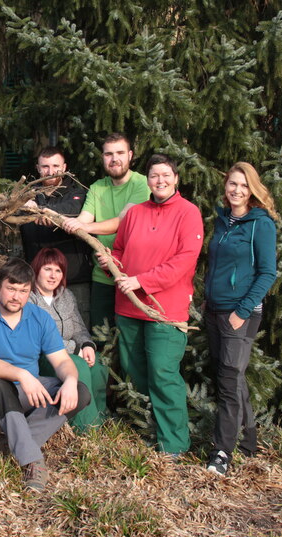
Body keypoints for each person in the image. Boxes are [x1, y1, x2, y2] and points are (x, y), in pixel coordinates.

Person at [97, 154, 203, 456]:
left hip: (164, 310)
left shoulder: (188, 213)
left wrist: (142, 281)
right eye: (155, 175)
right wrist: (109, 264)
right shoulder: (134, 214)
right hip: (128, 307)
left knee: (163, 372)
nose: (160, 181)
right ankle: (152, 430)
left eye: (166, 175)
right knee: (136, 369)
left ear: (176, 178)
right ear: (148, 179)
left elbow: (184, 261)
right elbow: (119, 250)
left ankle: (174, 446)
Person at [0, 258, 90, 492]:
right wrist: (23, 375)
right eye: (11, 289)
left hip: (30, 393)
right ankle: (33, 461)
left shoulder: (39, 317)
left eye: (23, 291)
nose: (16, 297)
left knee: (80, 391)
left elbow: (62, 360)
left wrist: (71, 381)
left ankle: (10, 442)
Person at [203, 162, 278, 476]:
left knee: (229, 381)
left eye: (243, 186)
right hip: (214, 310)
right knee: (233, 375)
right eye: (232, 184)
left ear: (253, 190)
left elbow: (267, 273)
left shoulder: (260, 224)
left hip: (240, 314)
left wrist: (241, 312)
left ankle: (222, 452)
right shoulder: (223, 221)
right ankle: (248, 442)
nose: (236, 190)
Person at [62, 133, 150, 333]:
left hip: (132, 276)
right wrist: (71, 223)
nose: (114, 159)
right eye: (108, 154)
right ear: (103, 157)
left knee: (129, 340)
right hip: (102, 275)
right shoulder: (96, 187)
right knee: (100, 336)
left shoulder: (142, 184)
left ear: (130, 155)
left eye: (119, 153)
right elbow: (84, 218)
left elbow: (122, 221)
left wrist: (84, 227)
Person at [28, 248, 107, 430]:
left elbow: (79, 328)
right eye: (48, 269)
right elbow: (39, 338)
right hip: (45, 356)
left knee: (98, 365)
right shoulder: (30, 298)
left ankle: (101, 417)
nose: (53, 275)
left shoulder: (66, 295)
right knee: (79, 366)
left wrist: (86, 345)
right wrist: (75, 350)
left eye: (58, 270)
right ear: (37, 270)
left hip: (71, 351)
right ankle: (86, 427)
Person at [20, 147, 91, 286]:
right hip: (36, 279)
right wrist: (22, 205)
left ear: (64, 167)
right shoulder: (27, 195)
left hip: (73, 279)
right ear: (38, 168)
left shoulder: (77, 194)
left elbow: (70, 210)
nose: (50, 172)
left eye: (55, 166)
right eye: (45, 166)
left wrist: (38, 210)